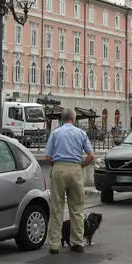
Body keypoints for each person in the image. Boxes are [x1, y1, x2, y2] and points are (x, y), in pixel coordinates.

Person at [45, 108, 95, 255]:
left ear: (62, 119)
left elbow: (47, 157)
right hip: (75, 170)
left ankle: (54, 244)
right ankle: (78, 242)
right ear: (73, 119)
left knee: (56, 207)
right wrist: (81, 166)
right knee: (77, 207)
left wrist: (57, 164)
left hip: (59, 169)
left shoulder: (55, 133)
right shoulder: (81, 133)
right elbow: (91, 155)